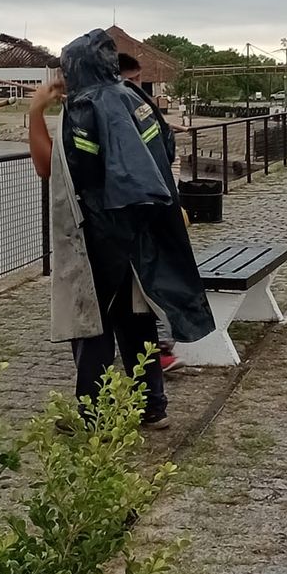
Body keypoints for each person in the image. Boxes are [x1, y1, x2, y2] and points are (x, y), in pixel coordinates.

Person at [27, 30, 216, 430]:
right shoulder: (137, 99)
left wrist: (36, 113)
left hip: (99, 231)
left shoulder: (82, 109)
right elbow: (163, 149)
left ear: (75, 68)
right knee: (135, 315)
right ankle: (152, 406)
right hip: (143, 226)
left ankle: (93, 414)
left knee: (91, 322)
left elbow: (51, 168)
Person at [118, 53, 180, 373]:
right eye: (134, 80)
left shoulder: (128, 109)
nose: (139, 86)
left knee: (144, 286)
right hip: (157, 206)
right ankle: (161, 347)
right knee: (152, 280)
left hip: (143, 213)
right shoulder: (140, 108)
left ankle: (158, 350)